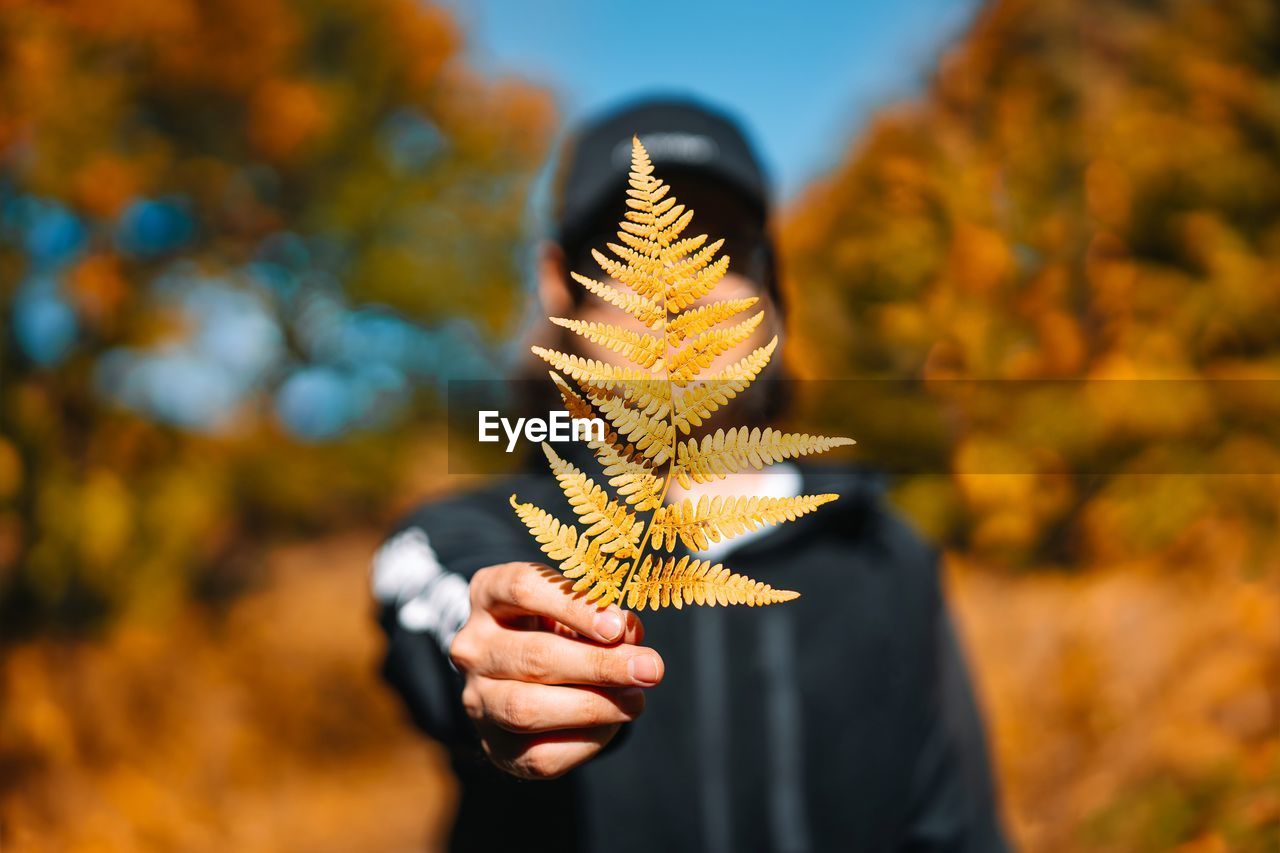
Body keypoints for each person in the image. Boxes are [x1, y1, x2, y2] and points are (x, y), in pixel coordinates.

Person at [371, 97, 1009, 853]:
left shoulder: (880, 553)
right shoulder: (488, 530)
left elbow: (959, 828)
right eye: (628, 252)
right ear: (556, 282)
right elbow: (445, 603)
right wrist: (509, 664)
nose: (681, 283)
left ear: (772, 284)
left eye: (723, 246)